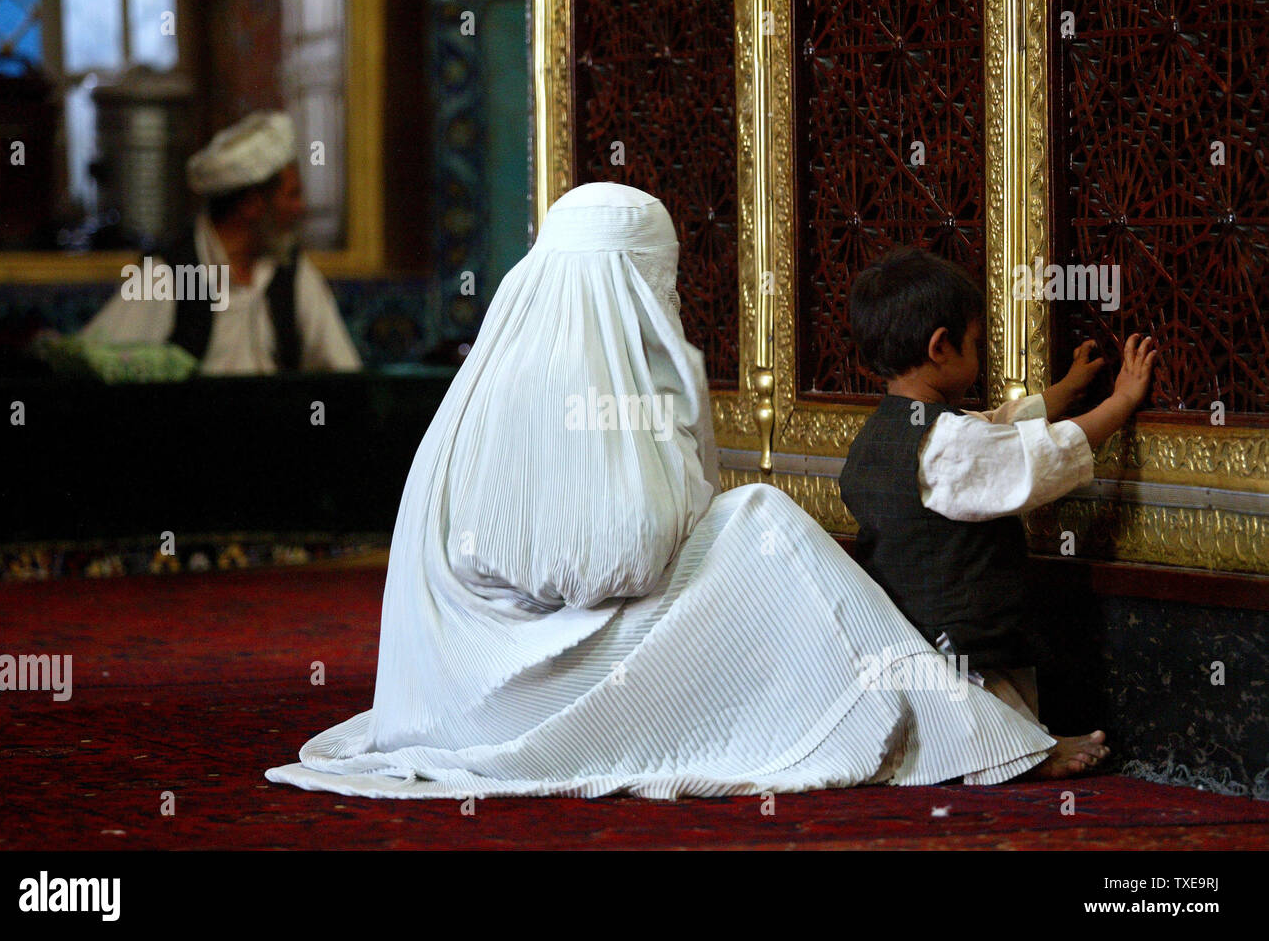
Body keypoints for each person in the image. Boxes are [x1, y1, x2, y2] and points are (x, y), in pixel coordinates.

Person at [266, 183, 1084, 802]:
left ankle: (950, 715)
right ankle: (972, 732)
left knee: (748, 531)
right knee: (758, 522)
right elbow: (610, 565)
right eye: (659, 284)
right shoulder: (556, 383)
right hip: (510, 687)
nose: (669, 306)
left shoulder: (510, 366)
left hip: (476, 679)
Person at [839, 246, 1157, 769]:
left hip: (906, 629)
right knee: (986, 707)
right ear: (942, 346)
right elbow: (1037, 455)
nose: (981, 353)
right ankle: (1030, 755)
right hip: (957, 634)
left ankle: (1027, 744)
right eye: (976, 342)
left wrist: (1066, 390)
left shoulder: (886, 431)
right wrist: (1119, 403)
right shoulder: (946, 442)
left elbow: (993, 425)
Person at [80, 111, 362, 374]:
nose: (300, 208)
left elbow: (342, 368)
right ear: (252, 205)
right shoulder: (169, 275)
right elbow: (93, 364)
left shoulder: (291, 271)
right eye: (292, 195)